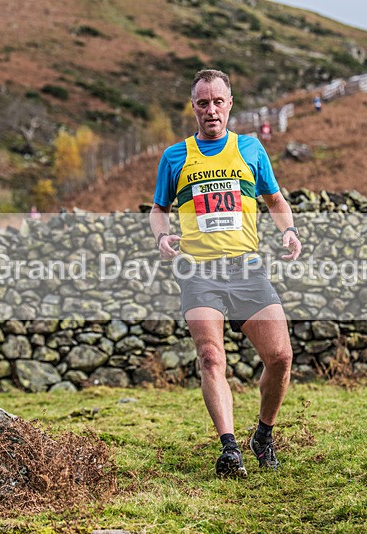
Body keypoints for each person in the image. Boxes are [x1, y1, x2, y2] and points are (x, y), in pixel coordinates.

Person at [150, 69, 302, 478]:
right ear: (194, 107)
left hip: (248, 269)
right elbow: (159, 209)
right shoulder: (175, 157)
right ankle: (230, 449)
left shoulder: (250, 149)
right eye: (203, 102)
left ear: (230, 104)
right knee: (211, 357)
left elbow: (275, 200)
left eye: (218, 101)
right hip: (199, 272)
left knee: (281, 357)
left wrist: (288, 230)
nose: (211, 109)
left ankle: (263, 435)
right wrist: (162, 237)